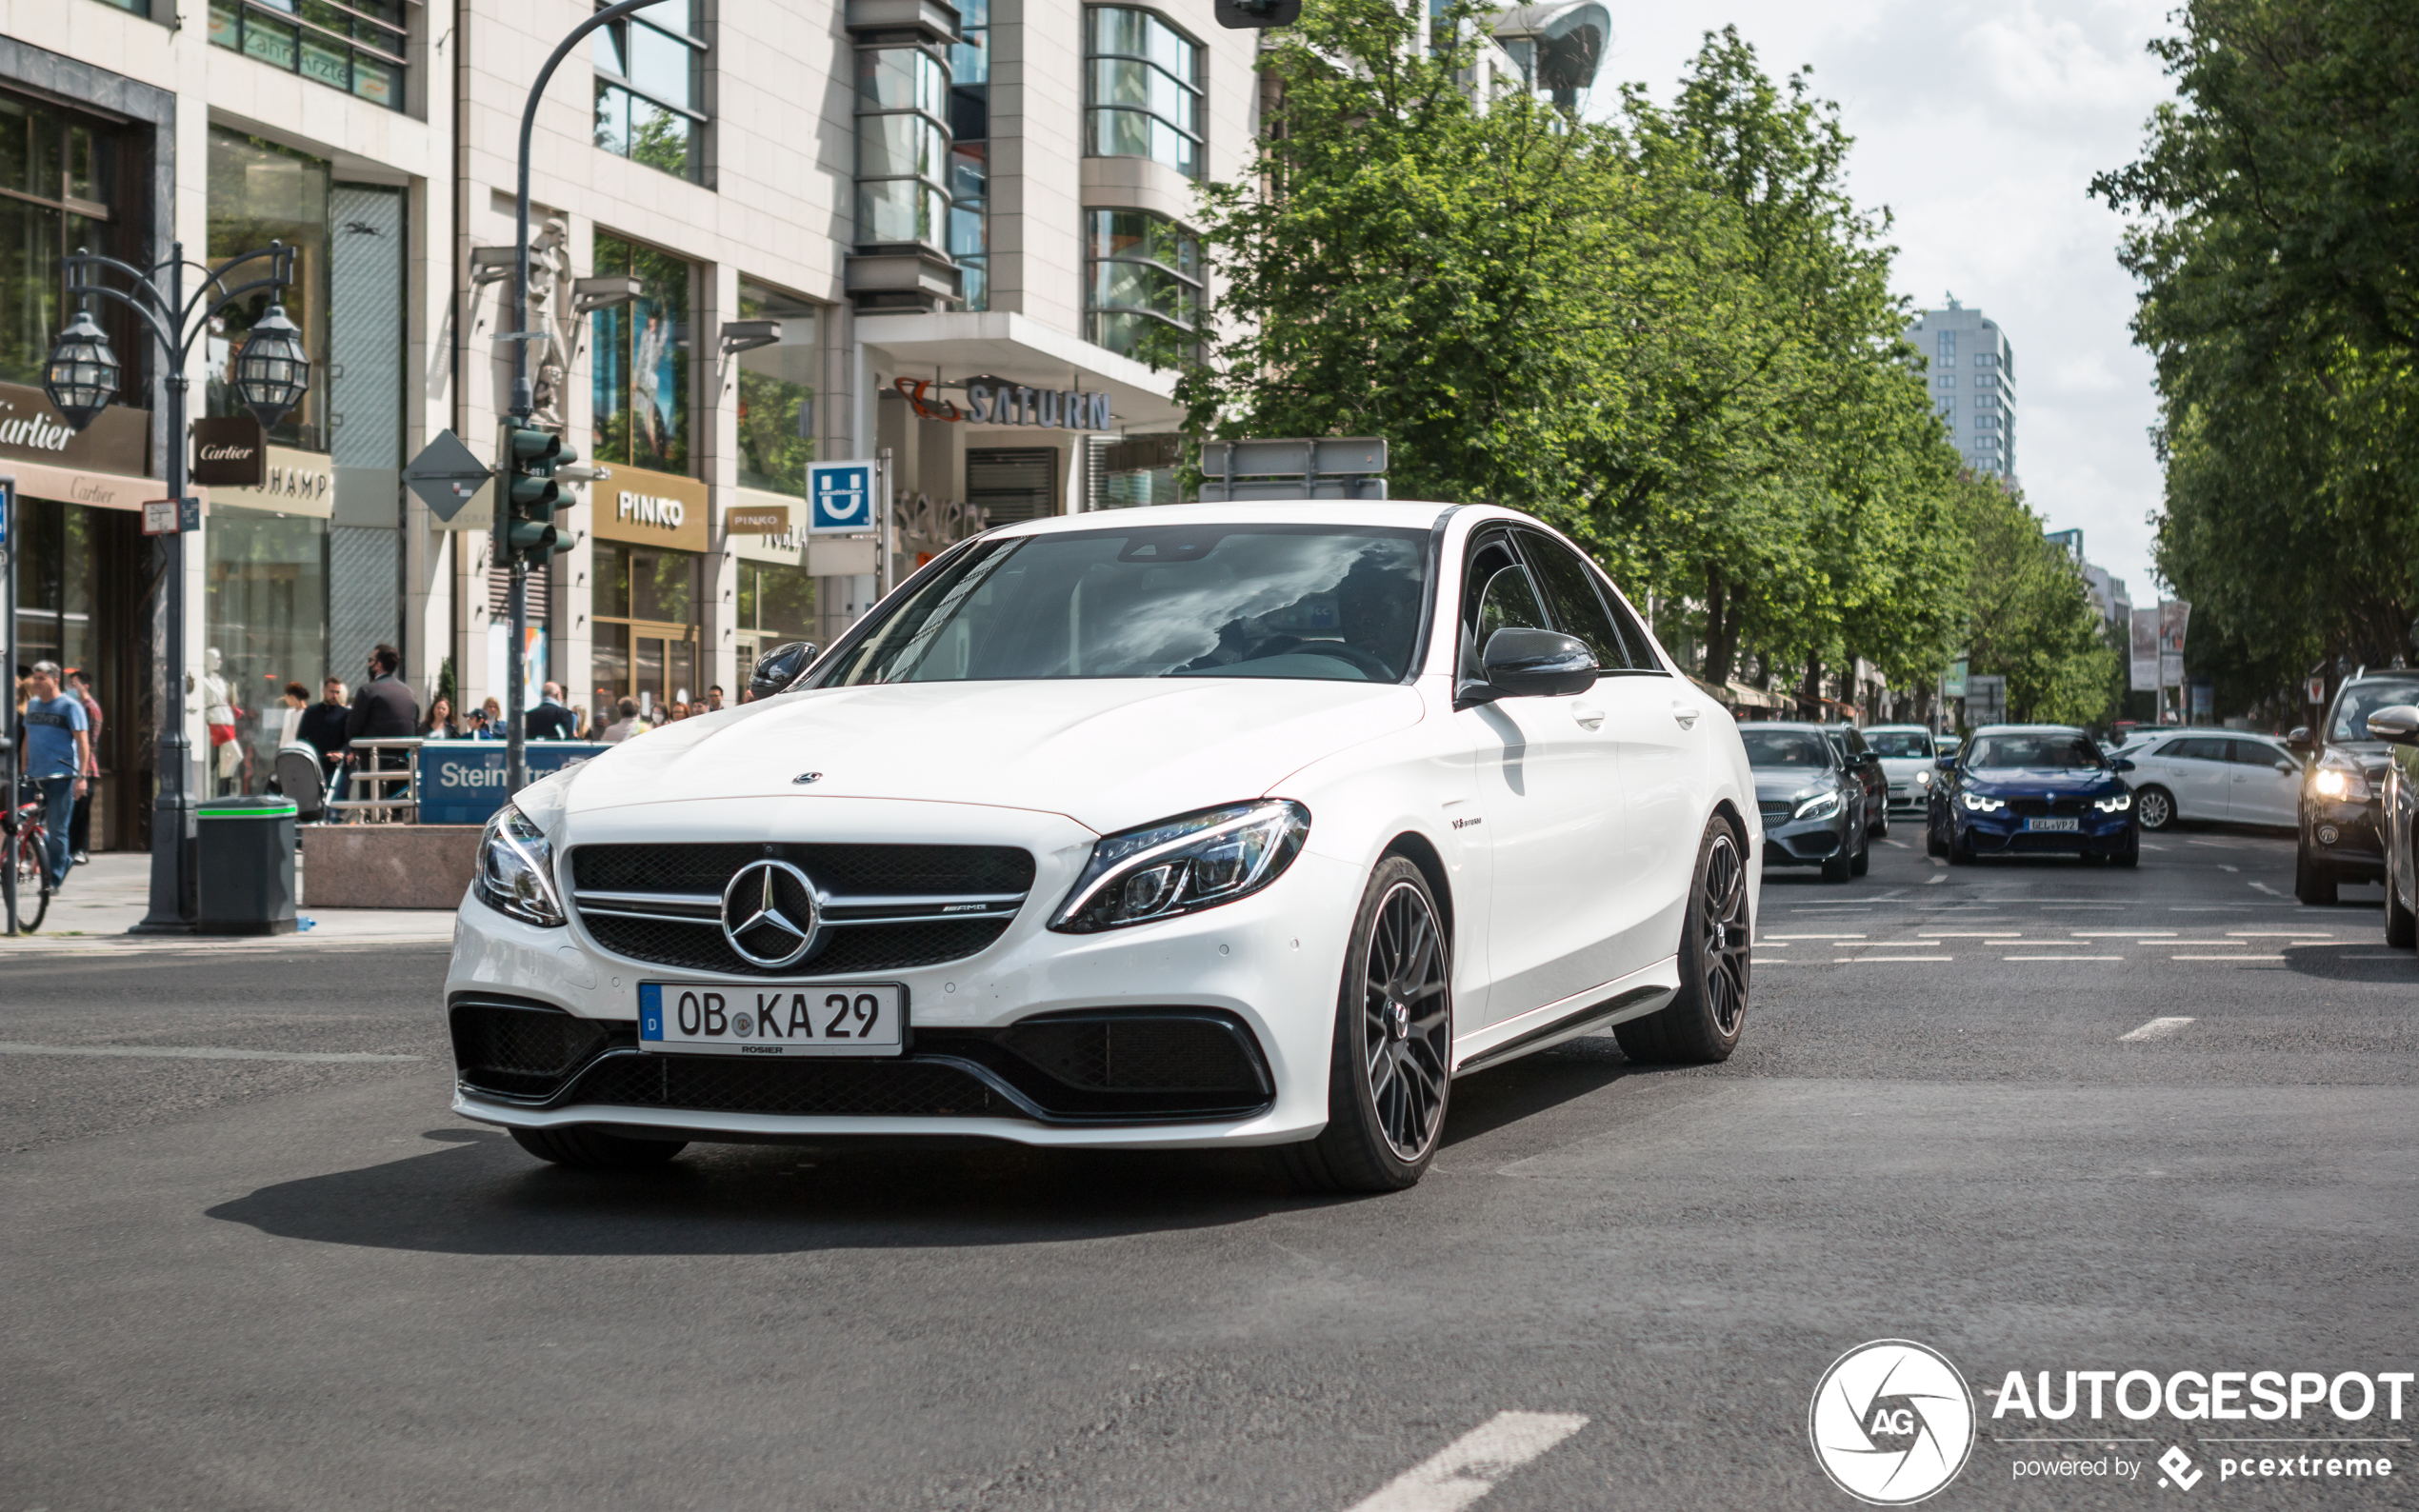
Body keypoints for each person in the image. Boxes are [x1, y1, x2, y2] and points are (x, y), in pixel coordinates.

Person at [15, 662, 90, 892]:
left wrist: (82, 776)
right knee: (23, 824)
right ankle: (53, 860)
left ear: (55, 680)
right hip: (33, 776)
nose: (36, 682)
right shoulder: (34, 705)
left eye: (41, 678)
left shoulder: (70, 706)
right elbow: (28, 738)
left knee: (58, 829)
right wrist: (23, 767)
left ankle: (53, 880)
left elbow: (83, 743)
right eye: (35, 678)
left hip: (61, 777)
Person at [344, 645, 419, 815]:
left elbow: (352, 728)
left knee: (371, 812)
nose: (368, 664)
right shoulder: (409, 693)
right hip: (404, 764)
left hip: (374, 763)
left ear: (378, 665)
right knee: (399, 813)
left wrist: (353, 747)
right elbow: (415, 727)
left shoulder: (368, 690)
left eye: (370, 660)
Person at [64, 668, 104, 865]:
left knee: (81, 811)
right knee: (75, 811)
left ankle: (80, 849)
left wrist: (82, 770)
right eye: (69, 684)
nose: (70, 688)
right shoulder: (75, 705)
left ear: (85, 686)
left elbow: (90, 741)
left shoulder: (90, 707)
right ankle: (74, 849)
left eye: (74, 684)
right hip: (74, 765)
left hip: (86, 768)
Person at [298, 677, 350, 803]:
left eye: (337, 692)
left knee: (334, 801)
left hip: (336, 766)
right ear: (324, 690)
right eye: (332, 691)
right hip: (315, 763)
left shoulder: (345, 714)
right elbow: (302, 737)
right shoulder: (312, 712)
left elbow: (349, 739)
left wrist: (341, 753)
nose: (335, 695)